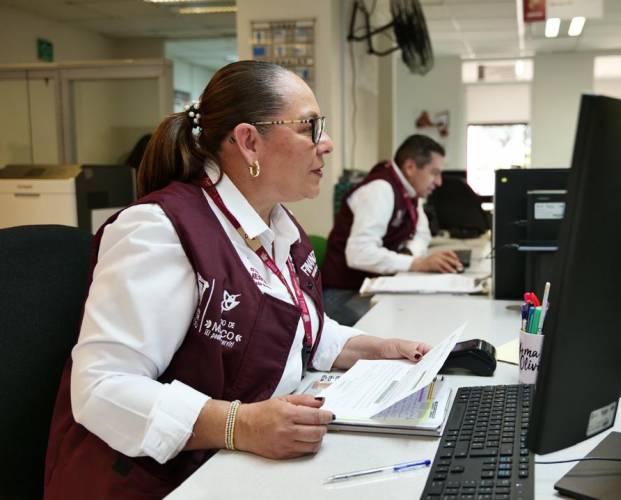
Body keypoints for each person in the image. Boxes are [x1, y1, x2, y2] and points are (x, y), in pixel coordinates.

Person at [43, 61, 432, 499]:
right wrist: (239, 425)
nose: (327, 143)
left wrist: (380, 348)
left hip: (237, 465)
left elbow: (298, 331)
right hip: (155, 480)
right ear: (248, 142)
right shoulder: (160, 231)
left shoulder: (277, 226)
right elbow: (101, 388)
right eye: (310, 127)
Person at [322, 134, 462, 325]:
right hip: (343, 294)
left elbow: (422, 234)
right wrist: (416, 264)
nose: (439, 182)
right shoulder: (380, 189)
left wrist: (408, 255)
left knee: (423, 314)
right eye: (434, 173)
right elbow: (359, 254)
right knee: (406, 323)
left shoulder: (411, 193)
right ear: (410, 167)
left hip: (374, 287)